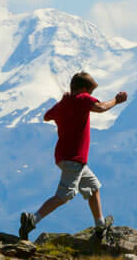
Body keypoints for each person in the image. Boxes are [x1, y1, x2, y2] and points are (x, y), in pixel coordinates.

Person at [18, 72, 129, 239]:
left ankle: (100, 226)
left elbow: (47, 116)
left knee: (93, 187)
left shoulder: (64, 103)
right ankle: (32, 220)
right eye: (90, 92)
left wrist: (64, 103)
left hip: (66, 156)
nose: (90, 96)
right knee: (64, 195)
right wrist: (116, 100)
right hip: (74, 158)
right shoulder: (83, 99)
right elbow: (100, 108)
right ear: (84, 90)